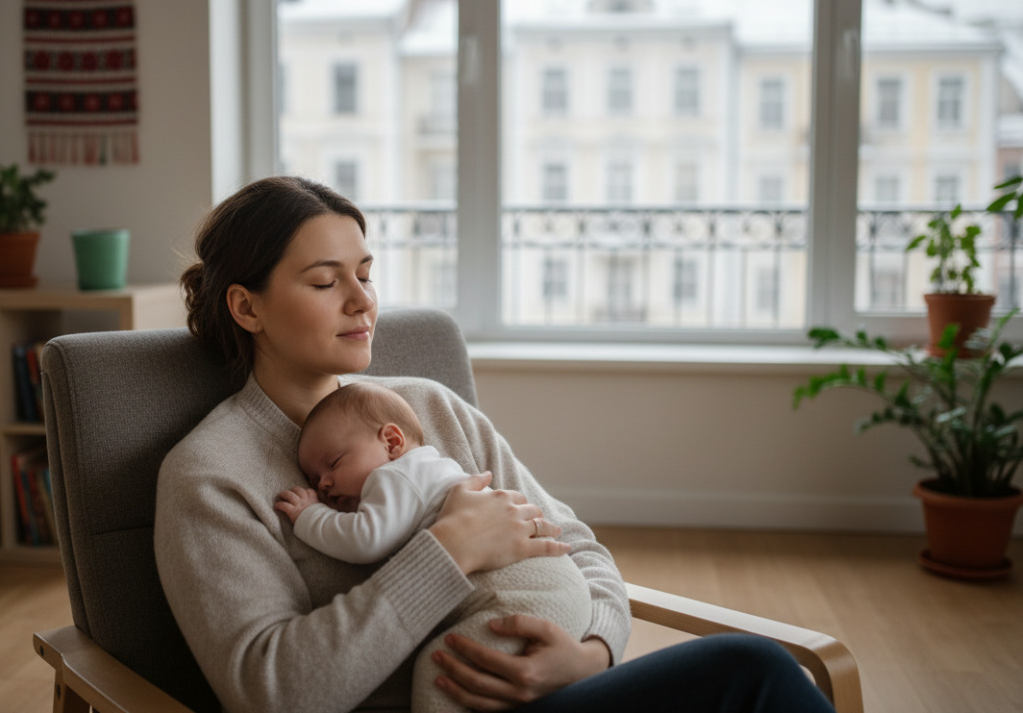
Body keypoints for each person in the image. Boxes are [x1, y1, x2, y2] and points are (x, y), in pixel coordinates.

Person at [154, 174, 836, 713]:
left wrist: (592, 652)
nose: (362, 301)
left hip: (555, 691)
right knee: (751, 673)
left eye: (366, 273)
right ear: (247, 308)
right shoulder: (212, 475)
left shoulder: (426, 408)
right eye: (327, 282)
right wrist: (447, 551)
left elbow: (579, 548)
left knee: (757, 672)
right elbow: (271, 690)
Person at [277, 382, 593, 713]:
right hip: (560, 588)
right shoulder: (432, 468)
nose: (324, 483)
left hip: (525, 596)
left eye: (334, 462)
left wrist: (309, 515)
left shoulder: (393, 478)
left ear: (392, 442)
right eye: (314, 480)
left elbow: (365, 539)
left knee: (441, 669)